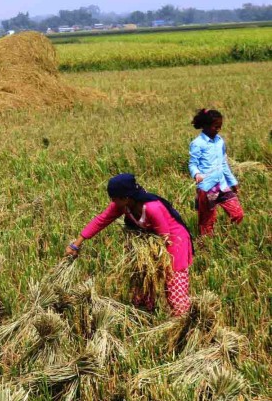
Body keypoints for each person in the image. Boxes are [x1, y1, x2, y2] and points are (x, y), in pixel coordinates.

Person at [65, 173, 194, 316]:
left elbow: (165, 236)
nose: (112, 202)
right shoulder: (122, 206)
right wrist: (76, 244)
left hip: (174, 242)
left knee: (173, 284)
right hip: (152, 243)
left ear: (126, 198)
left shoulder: (152, 207)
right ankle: (144, 315)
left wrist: (155, 262)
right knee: (142, 280)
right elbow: (101, 220)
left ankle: (183, 320)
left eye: (114, 198)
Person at [189, 108, 243, 236]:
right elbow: (193, 163)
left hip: (223, 185)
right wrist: (197, 174)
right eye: (215, 127)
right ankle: (207, 243)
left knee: (237, 214)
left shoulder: (220, 141)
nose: (218, 129)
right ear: (205, 126)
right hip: (207, 187)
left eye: (220, 127)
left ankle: (229, 235)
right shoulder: (197, 143)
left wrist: (232, 181)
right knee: (207, 221)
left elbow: (224, 163)